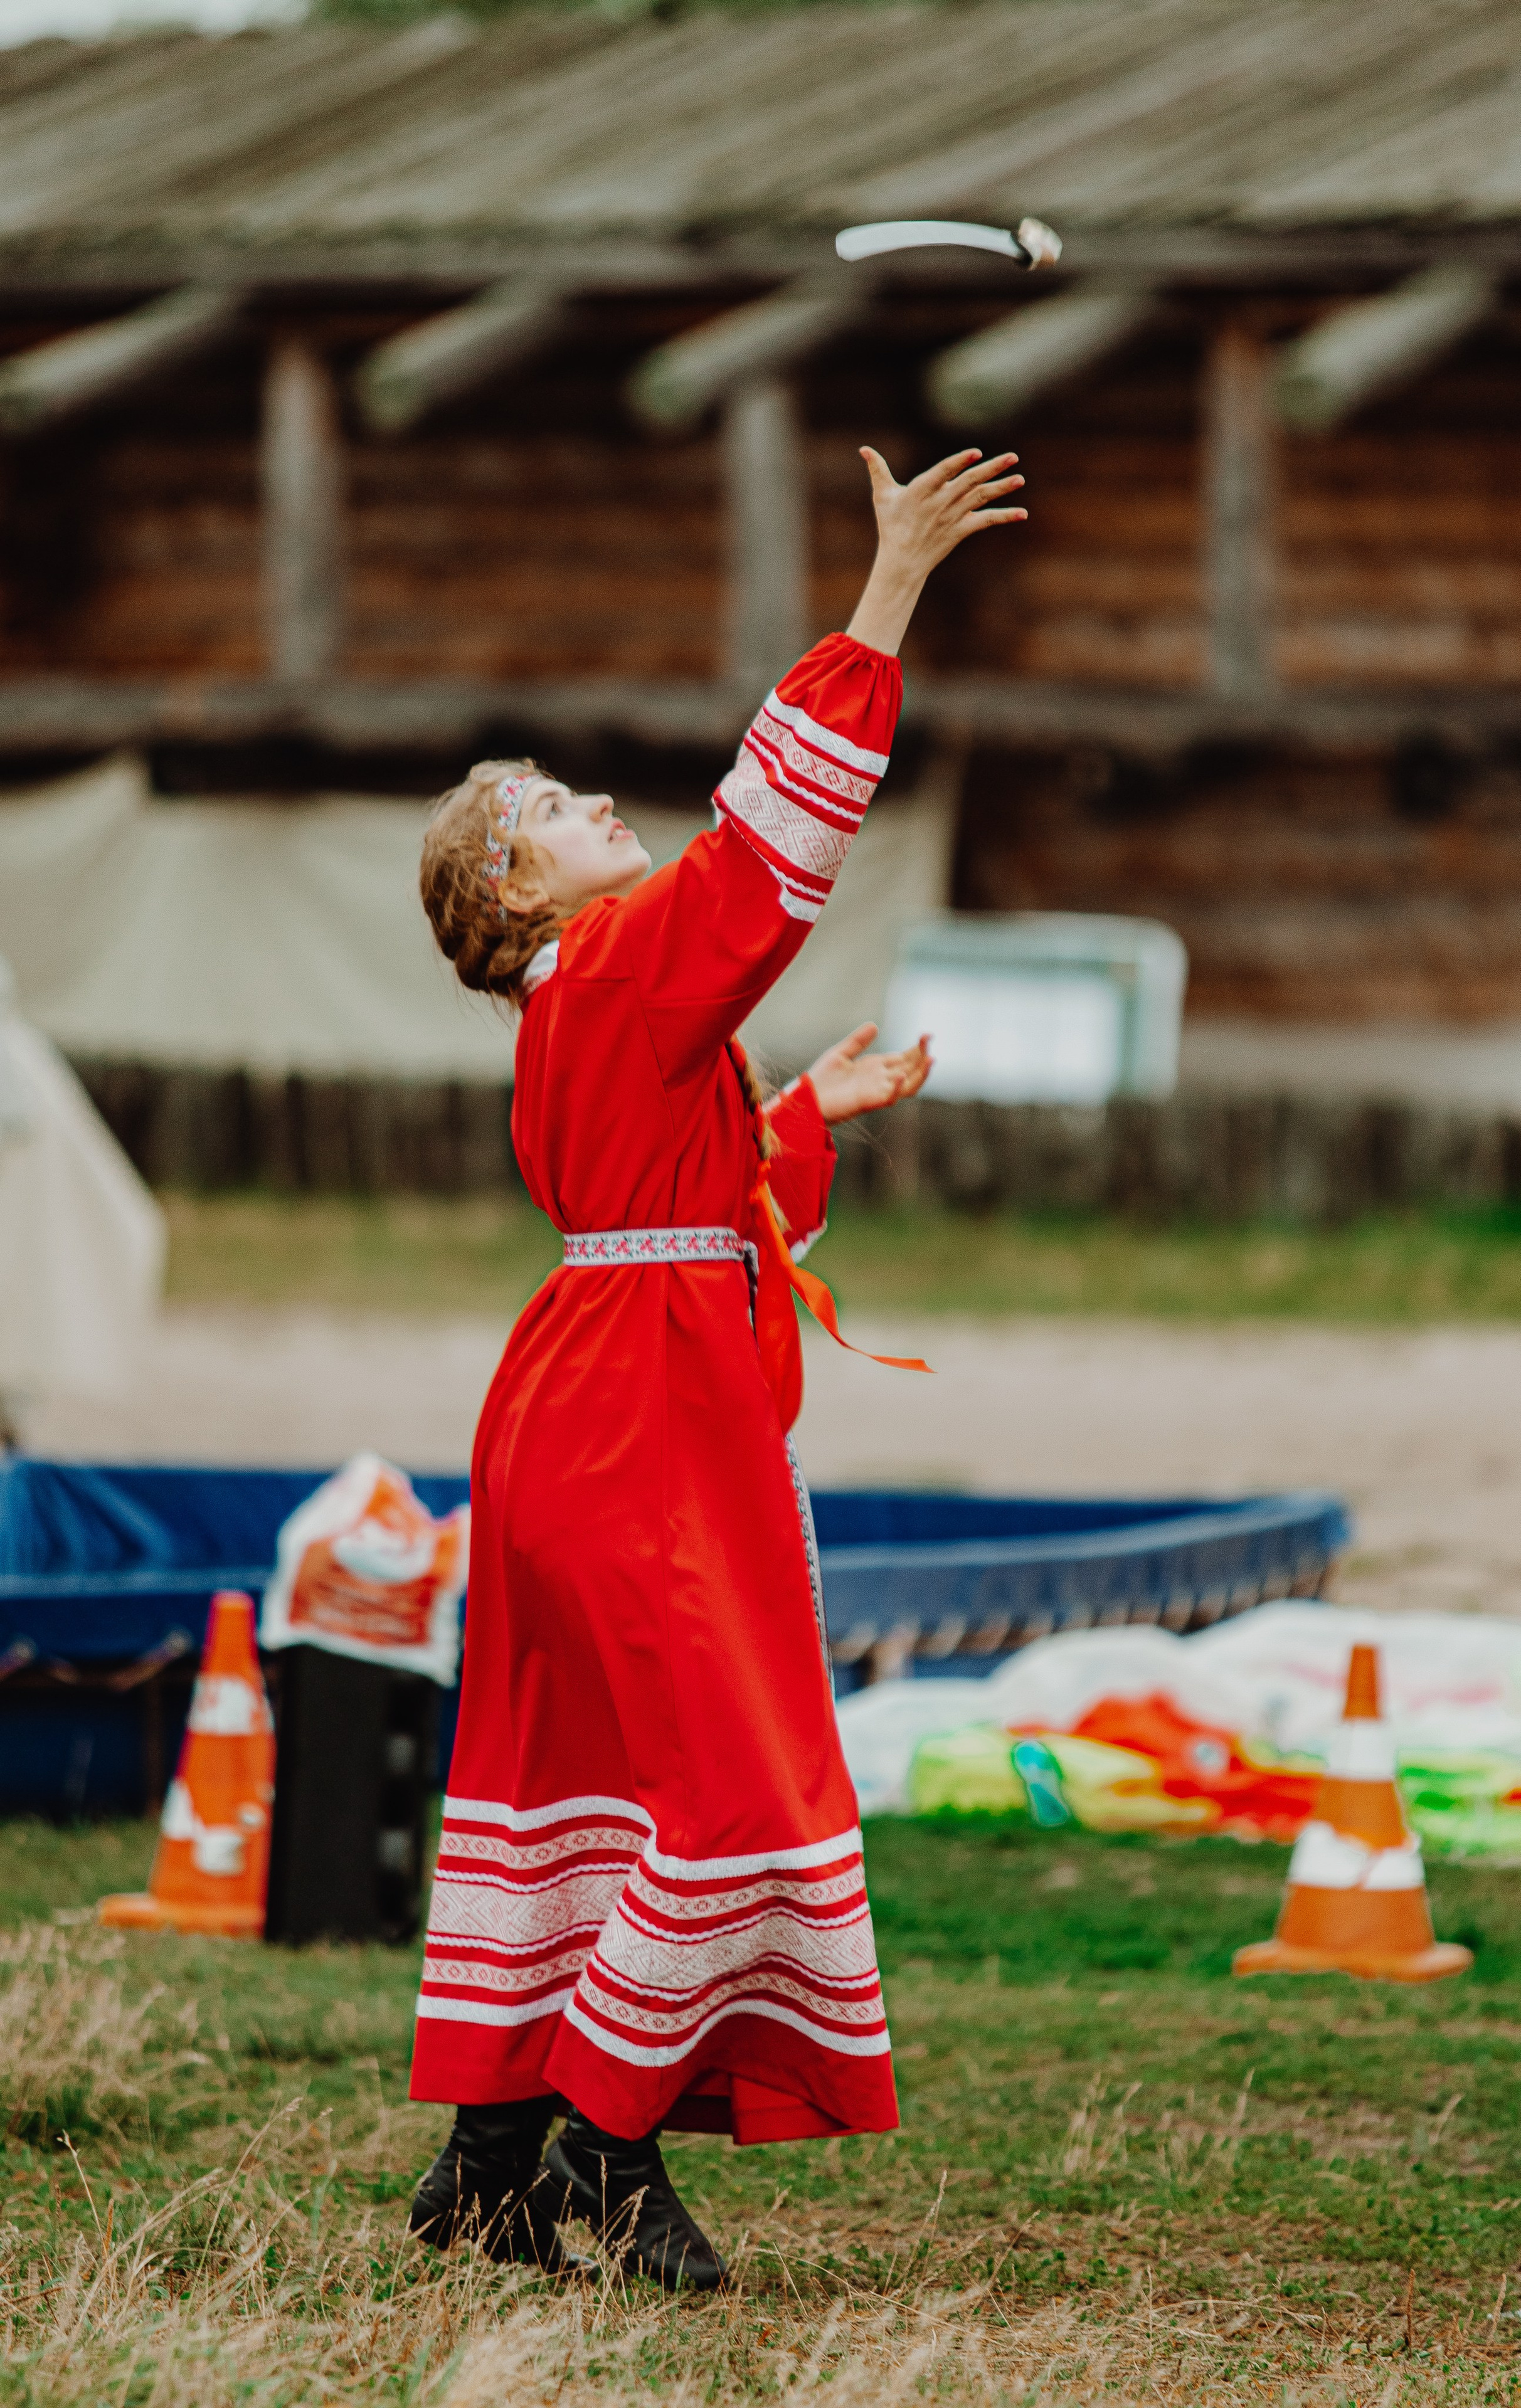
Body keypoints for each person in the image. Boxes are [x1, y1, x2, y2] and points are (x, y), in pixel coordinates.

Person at [408, 442, 1027, 2289]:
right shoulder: (606, 974)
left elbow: (686, 1192)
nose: (599, 800)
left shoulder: (595, 1016)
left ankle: (496, 2156)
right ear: (519, 899)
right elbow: (770, 855)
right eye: (550, 805)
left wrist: (797, 1112)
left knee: (599, 1768)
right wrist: (889, 591)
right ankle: (602, 2141)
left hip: (601, 1398)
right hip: (634, 1431)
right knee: (736, 1787)